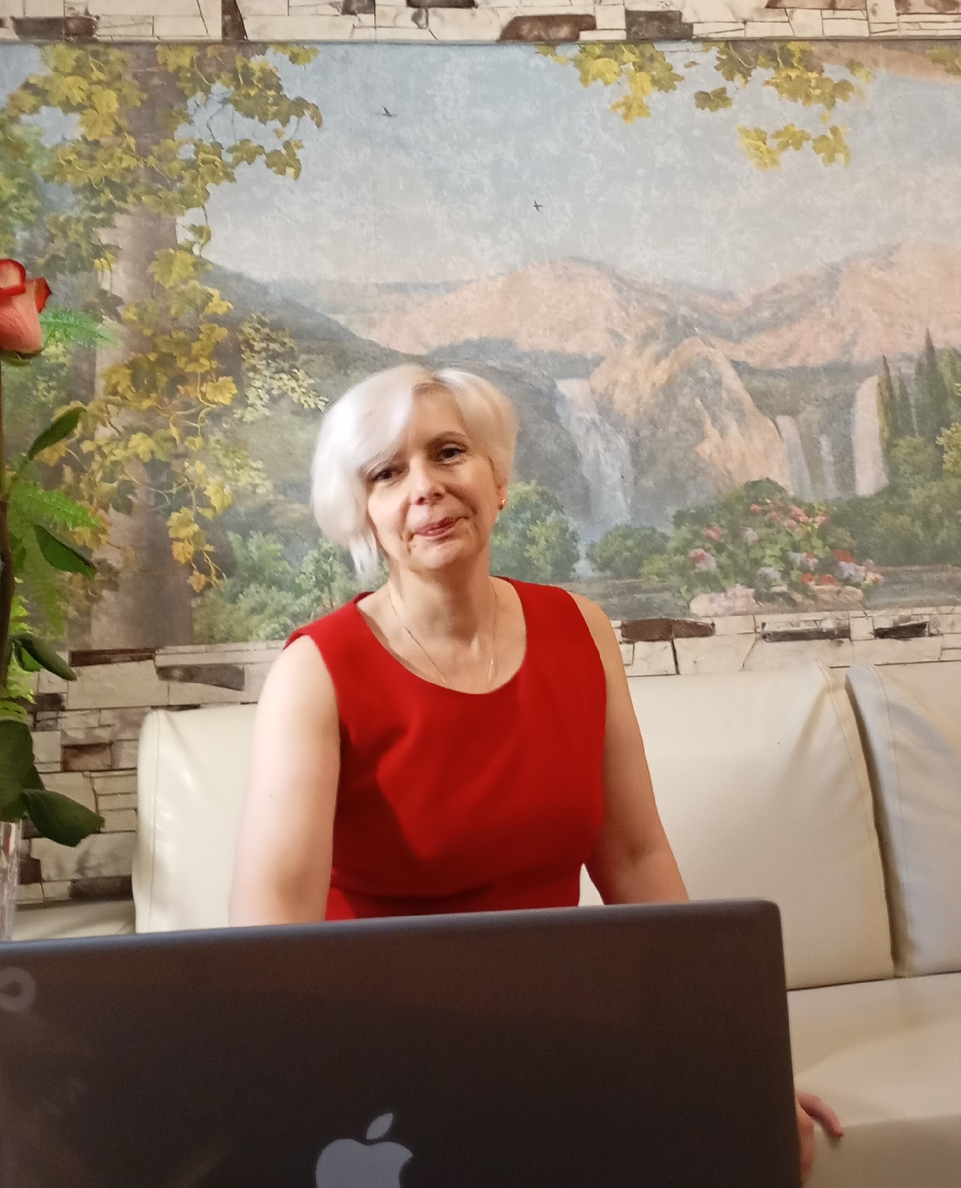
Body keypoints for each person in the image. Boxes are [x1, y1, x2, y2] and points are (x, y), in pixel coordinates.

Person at [229, 364, 842, 1180]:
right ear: (363, 512)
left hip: (557, 1031)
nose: (426, 487)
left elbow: (636, 860)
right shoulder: (314, 672)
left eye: (449, 452)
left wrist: (737, 1060)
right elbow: (270, 939)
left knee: (734, 1140)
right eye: (387, 472)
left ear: (498, 479)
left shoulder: (580, 629)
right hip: (377, 1050)